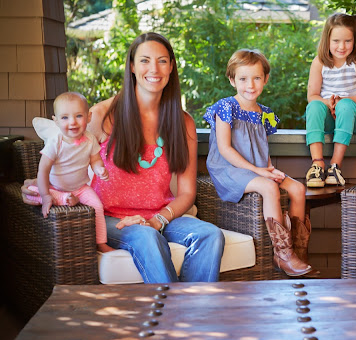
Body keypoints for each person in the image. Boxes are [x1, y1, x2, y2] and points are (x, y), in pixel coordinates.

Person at [22, 32, 225, 283]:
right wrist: (39, 186)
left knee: (210, 235)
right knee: (146, 237)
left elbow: (186, 193)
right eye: (145, 60)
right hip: (109, 218)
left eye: (162, 61)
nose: (154, 69)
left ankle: (194, 304)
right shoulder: (103, 115)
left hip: (160, 216)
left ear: (171, 67)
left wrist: (157, 220)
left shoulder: (183, 123)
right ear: (132, 66)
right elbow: (63, 159)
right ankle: (174, 307)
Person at [204, 49, 316, 277]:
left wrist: (269, 169)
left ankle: (298, 252)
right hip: (229, 169)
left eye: (256, 78)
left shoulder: (264, 113)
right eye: (243, 79)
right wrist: (259, 172)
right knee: (269, 187)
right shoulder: (226, 107)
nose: (250, 85)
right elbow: (225, 149)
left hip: (258, 168)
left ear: (265, 79)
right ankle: (283, 254)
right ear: (232, 80)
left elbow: (261, 148)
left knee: (297, 188)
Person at [26, 92, 112, 253]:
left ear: (88, 117)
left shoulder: (90, 139)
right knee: (32, 192)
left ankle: (100, 242)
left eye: (78, 116)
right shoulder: (56, 142)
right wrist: (45, 195)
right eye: (65, 117)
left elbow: (95, 159)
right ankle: (63, 198)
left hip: (81, 188)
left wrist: (99, 169)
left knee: (97, 206)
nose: (72, 122)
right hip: (55, 187)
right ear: (56, 121)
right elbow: (43, 170)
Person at [305, 12, 356, 187]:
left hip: (354, 117)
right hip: (330, 116)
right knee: (314, 106)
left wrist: (343, 100)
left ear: (355, 40)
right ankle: (317, 165)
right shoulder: (319, 62)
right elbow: (312, 96)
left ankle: (335, 166)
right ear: (327, 40)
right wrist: (329, 103)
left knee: (345, 105)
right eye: (336, 41)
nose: (342, 46)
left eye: (348, 41)